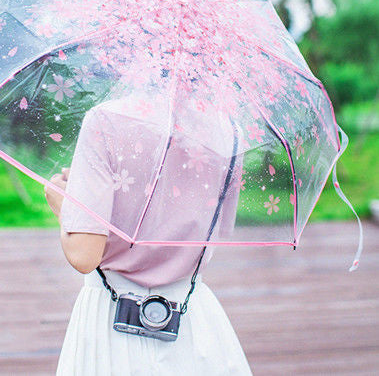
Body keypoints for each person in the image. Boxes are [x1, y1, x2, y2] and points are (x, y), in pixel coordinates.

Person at [44, 94, 253, 375]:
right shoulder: (229, 131)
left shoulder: (106, 121)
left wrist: (65, 205)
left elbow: (83, 254)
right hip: (192, 319)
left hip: (109, 317)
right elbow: (218, 228)